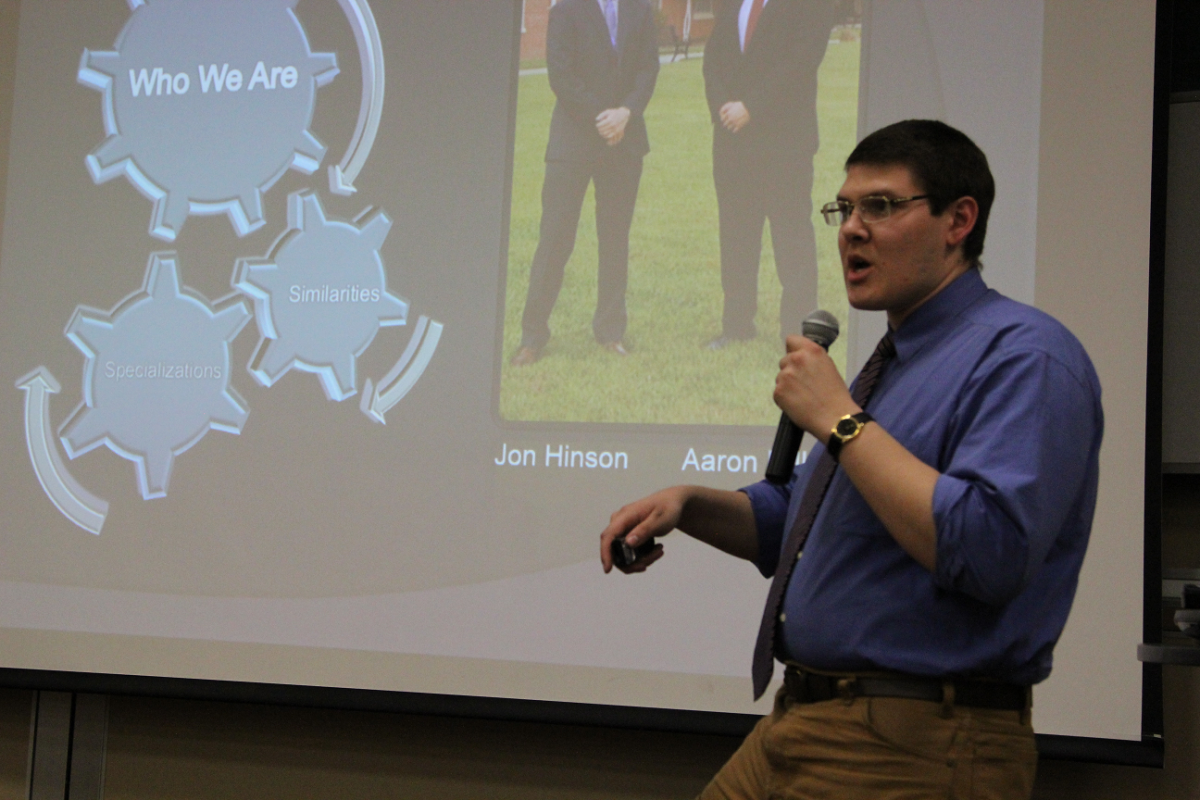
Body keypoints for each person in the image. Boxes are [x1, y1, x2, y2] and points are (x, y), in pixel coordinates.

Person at [599, 120, 1103, 799]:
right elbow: (795, 525)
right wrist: (689, 505)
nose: (851, 229)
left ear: (959, 220)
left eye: (882, 207)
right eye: (845, 208)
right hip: (797, 720)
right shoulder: (895, 363)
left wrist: (838, 418)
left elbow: (988, 550)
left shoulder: (1025, 357)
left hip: (915, 742)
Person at [509, 0, 659, 366]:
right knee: (556, 237)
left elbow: (648, 68)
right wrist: (601, 117)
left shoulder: (641, 8)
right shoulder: (566, 8)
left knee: (614, 238)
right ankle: (533, 336)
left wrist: (625, 113)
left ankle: (610, 332)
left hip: (624, 140)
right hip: (574, 139)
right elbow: (560, 73)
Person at [702, 0, 838, 349]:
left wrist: (751, 107)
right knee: (736, 237)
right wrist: (723, 110)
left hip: (785, 143)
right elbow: (713, 58)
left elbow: (802, 60)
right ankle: (736, 326)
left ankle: (796, 332)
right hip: (733, 142)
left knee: (791, 238)